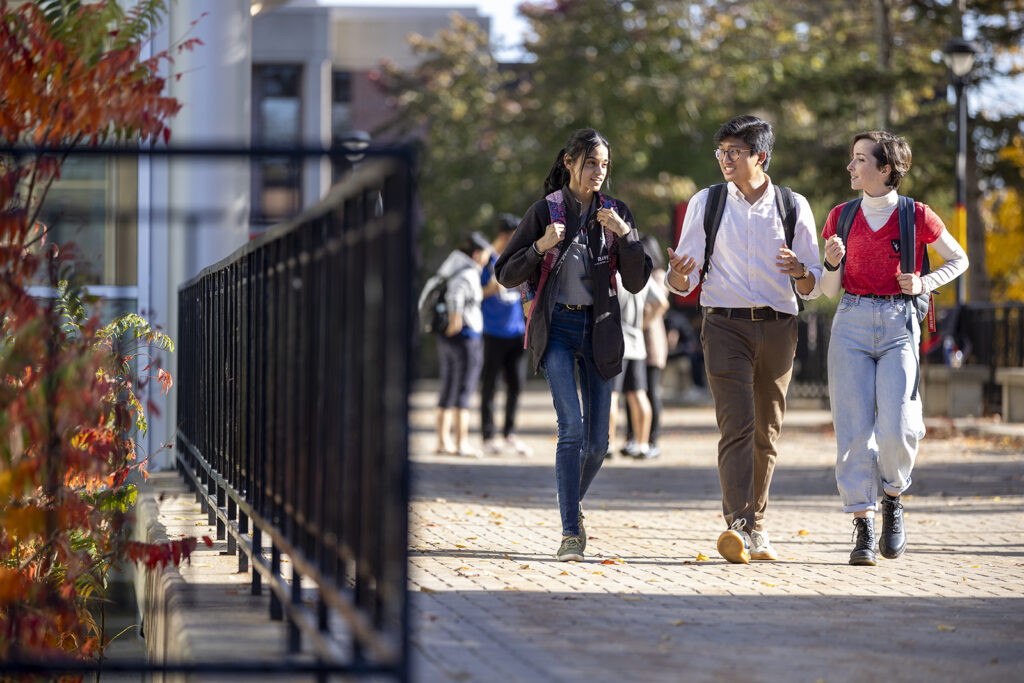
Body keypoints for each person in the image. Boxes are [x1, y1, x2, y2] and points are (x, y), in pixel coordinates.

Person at [665, 115, 822, 564]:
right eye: (721, 152)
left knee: (766, 431)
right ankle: (739, 526)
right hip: (724, 325)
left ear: (761, 157)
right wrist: (678, 275)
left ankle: (759, 524)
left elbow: (812, 282)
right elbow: (686, 276)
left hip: (778, 327)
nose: (725, 160)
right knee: (736, 425)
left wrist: (800, 272)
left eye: (735, 152)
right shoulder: (707, 202)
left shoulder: (793, 205)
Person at [495, 128, 652, 562]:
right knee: (572, 429)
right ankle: (570, 531)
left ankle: (571, 503)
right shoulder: (545, 211)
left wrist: (626, 235)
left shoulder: (616, 212)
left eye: (604, 164)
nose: (598, 171)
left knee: (599, 444)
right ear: (569, 162)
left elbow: (637, 282)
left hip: (600, 329)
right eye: (590, 163)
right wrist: (539, 247)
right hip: (558, 329)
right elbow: (504, 271)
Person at [820, 130, 968, 566]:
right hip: (850, 321)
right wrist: (830, 261)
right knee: (853, 431)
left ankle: (893, 497)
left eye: (860, 159)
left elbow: (959, 259)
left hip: (900, 323)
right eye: (852, 159)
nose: (851, 167)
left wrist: (924, 281)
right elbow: (828, 289)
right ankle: (863, 524)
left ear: (885, 169)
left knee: (899, 426)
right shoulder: (840, 217)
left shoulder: (917, 215)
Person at [433, 232, 492, 457]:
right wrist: (456, 322)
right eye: (485, 255)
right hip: (465, 336)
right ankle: (461, 443)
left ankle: (442, 441)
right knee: (464, 389)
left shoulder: (451, 267)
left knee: (448, 386)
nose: (487, 259)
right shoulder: (467, 273)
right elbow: (455, 296)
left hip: (449, 338)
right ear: (477, 255)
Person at [480, 214, 532, 456]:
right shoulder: (486, 259)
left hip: (516, 331)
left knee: (516, 385)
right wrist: (494, 285)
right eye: (514, 235)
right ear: (504, 235)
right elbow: (476, 292)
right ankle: (488, 435)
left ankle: (509, 433)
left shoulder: (517, 258)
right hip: (492, 332)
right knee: (490, 385)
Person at [608, 271, 653, 458]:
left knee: (611, 396)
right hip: (637, 342)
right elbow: (662, 303)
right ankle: (643, 444)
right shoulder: (643, 276)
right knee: (639, 394)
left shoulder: (614, 277)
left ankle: (608, 443)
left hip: (616, 341)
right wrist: (644, 323)